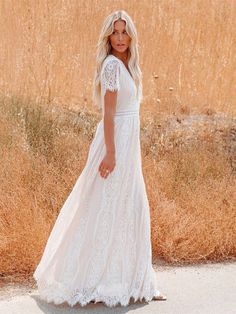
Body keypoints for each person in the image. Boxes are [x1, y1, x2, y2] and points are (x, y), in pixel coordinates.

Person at [33, 9, 167, 308]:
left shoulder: (129, 65)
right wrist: (110, 153)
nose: (120, 38)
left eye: (124, 32)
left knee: (130, 207)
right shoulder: (111, 66)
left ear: (131, 35)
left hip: (128, 145)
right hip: (114, 142)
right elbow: (108, 113)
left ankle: (137, 280)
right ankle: (89, 278)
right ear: (108, 37)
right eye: (115, 32)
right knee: (101, 205)